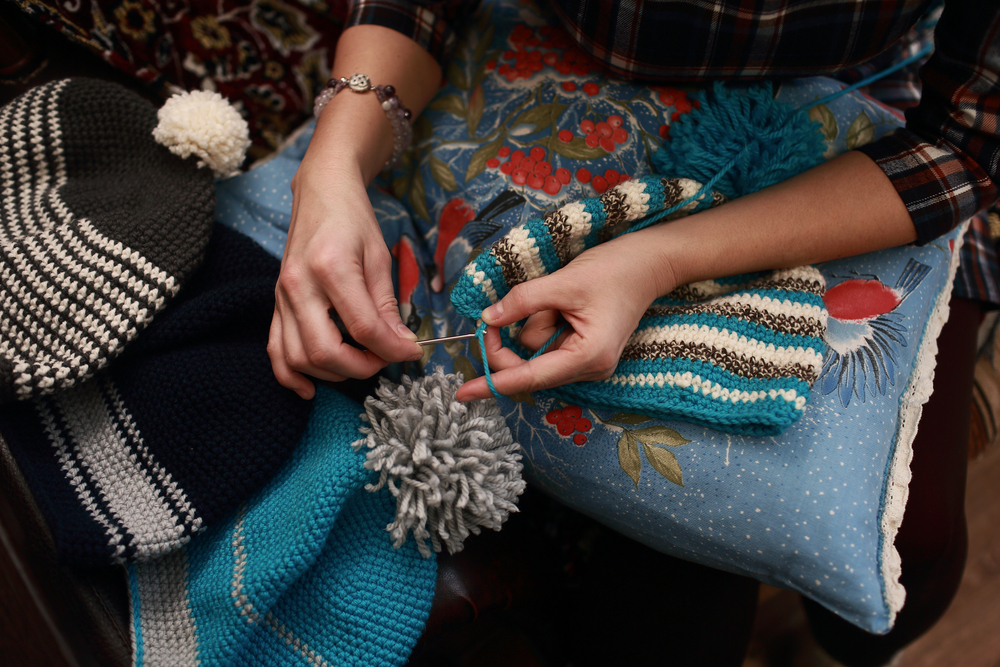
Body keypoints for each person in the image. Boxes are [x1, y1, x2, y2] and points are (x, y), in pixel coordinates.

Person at [267, 1, 999, 665]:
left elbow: (966, 145)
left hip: (856, 143)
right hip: (530, 62)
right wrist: (331, 170)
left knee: (916, 550)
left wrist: (659, 258)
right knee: (675, 607)